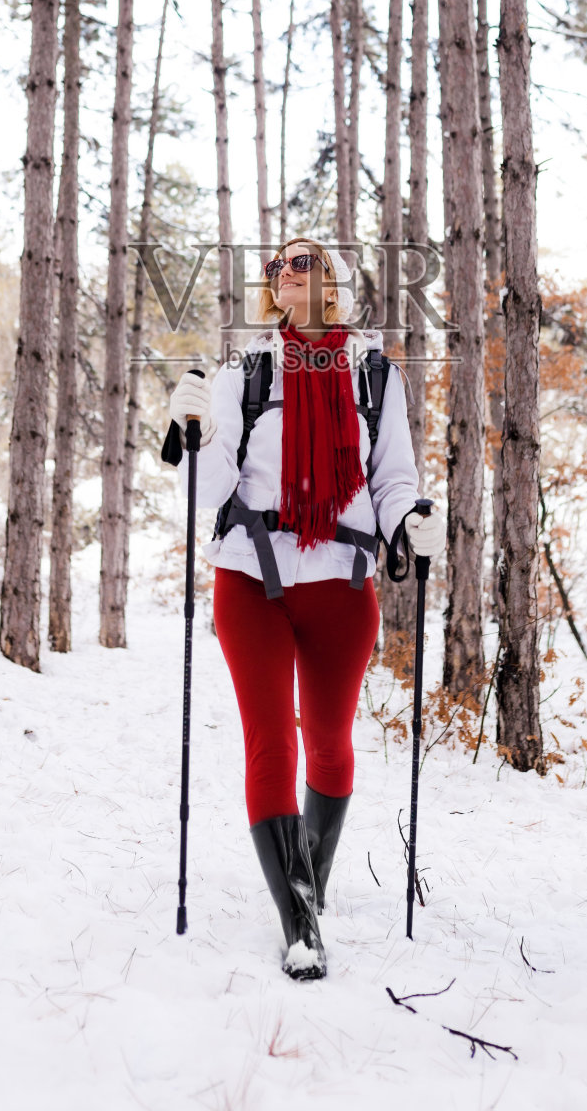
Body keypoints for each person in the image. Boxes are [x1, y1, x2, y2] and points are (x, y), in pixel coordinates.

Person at [166, 238, 445, 980]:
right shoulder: (244, 372)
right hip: (248, 579)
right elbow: (206, 492)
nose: (282, 273)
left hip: (340, 582)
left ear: (334, 283)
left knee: (327, 742)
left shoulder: (376, 376)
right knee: (271, 744)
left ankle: (308, 887)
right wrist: (196, 431)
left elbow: (392, 480)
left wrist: (411, 522)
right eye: (275, 267)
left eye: (301, 262)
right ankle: (299, 926)